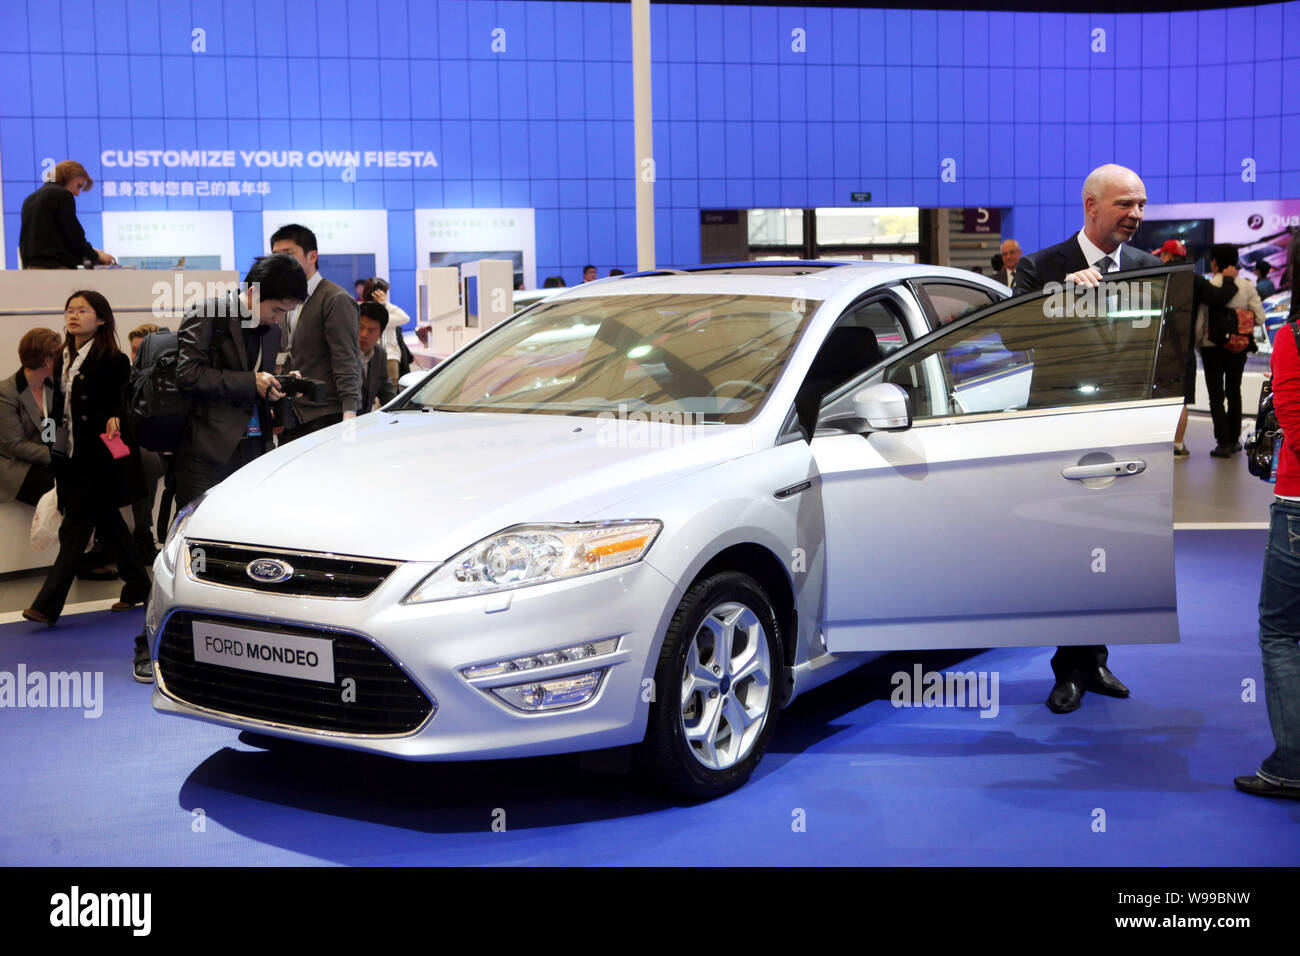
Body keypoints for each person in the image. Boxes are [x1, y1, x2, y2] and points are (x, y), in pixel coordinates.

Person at [1014, 163, 1162, 716]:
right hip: (1059, 429)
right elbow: (1012, 336)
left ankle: (1095, 656)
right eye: (1126, 204)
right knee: (1066, 548)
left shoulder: (1150, 269)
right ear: (1091, 206)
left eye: (1142, 204)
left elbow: (1159, 346)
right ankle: (1068, 667)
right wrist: (1058, 298)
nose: (1137, 215)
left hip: (1124, 433)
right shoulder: (1042, 267)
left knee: (1113, 548)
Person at [22, 292, 150, 625]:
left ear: (102, 318)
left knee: (76, 531)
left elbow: (121, 406)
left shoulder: (112, 359)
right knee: (112, 526)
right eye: (69, 310)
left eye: (82, 310)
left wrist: (115, 418)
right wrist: (51, 449)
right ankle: (139, 585)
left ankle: (47, 605)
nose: (73, 315)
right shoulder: (60, 358)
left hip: (100, 460)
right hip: (69, 459)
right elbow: (52, 412)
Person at [1237, 228, 1300, 800]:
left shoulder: (1294, 337)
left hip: (1299, 507)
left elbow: (1296, 428)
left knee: (1281, 632)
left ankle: (1291, 766)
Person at [172, 254, 306, 510]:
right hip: (207, 453)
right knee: (198, 532)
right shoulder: (209, 313)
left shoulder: (272, 331)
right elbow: (188, 374)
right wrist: (250, 381)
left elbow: (257, 384)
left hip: (255, 450)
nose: (279, 318)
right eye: (276, 309)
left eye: (286, 313)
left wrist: (280, 386)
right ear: (254, 292)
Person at [269, 224, 362, 442]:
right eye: (275, 256)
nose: (281, 263)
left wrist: (349, 417)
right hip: (292, 416)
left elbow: (347, 360)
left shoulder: (334, 299)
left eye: (289, 255)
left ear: (312, 256)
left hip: (326, 416)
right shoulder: (285, 300)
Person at [1196, 244, 1266, 458]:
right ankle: (1235, 440)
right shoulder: (1246, 286)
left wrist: (1198, 342)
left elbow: (1201, 320)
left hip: (1211, 349)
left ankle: (1222, 443)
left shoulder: (1209, 285)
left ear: (1215, 262)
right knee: (1234, 392)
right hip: (1238, 347)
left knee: (1216, 397)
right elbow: (1261, 317)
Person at [0, 329, 61, 506]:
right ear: (47, 361)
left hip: (45, 460)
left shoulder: (51, 387)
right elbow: (15, 446)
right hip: (15, 466)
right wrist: (57, 456)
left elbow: (56, 429)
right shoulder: (6, 393)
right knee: (69, 489)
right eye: (59, 356)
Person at [18, 161, 116, 269]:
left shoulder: (30, 199)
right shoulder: (62, 195)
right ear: (69, 176)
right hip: (57, 268)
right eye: (78, 186)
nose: (77, 194)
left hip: (32, 268)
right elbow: (73, 236)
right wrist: (96, 255)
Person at [361, 277, 410, 386]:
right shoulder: (363, 310)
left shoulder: (387, 311)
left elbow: (405, 318)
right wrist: (384, 305)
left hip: (390, 356)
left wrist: (384, 304)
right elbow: (402, 318)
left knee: (390, 389)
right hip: (367, 355)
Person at [358, 303, 398, 412]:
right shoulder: (342, 352)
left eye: (371, 330)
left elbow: (387, 392)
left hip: (364, 422)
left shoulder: (379, 355)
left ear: (380, 334)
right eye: (360, 327)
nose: (364, 334)